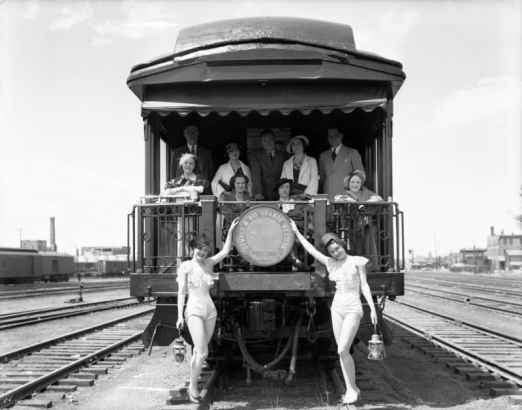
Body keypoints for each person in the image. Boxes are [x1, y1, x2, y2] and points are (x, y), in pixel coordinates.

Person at [289, 225, 378, 405]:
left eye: (337, 248)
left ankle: (352, 388)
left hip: (353, 307)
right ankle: (352, 389)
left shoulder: (358, 261)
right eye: (332, 251)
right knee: (342, 352)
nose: (336, 252)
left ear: (342, 244)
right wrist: (297, 232)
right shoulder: (330, 263)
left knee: (342, 349)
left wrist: (373, 308)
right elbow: (311, 249)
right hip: (337, 307)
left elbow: (365, 286)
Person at [176, 218, 239, 403]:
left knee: (199, 352)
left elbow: (226, 251)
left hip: (210, 310)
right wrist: (179, 315)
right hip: (193, 310)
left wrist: (231, 231)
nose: (203, 253)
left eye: (205, 250)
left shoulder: (208, 264)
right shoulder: (185, 266)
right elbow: (181, 292)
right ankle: (193, 388)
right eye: (200, 249)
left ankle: (193, 387)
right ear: (192, 249)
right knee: (203, 352)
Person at [335, 170, 383, 270]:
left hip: (364, 226)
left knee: (366, 248)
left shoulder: (366, 192)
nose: (355, 184)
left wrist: (363, 203)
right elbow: (338, 199)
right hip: (348, 227)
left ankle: (369, 269)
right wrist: (355, 202)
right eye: (352, 182)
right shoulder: (342, 192)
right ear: (348, 183)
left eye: (358, 182)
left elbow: (379, 199)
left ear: (361, 184)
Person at [318, 127, 365, 201]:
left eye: (335, 135)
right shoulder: (323, 156)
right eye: (330, 136)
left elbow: (360, 175)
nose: (332, 138)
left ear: (341, 136)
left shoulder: (352, 152)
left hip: (347, 197)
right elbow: (322, 179)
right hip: (328, 196)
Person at [250, 129, 287, 201]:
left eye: (270, 139)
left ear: (274, 140)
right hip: (264, 192)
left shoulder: (283, 155)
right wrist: (258, 192)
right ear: (261, 142)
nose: (268, 142)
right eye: (264, 140)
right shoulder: (256, 155)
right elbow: (256, 175)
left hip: (280, 191)